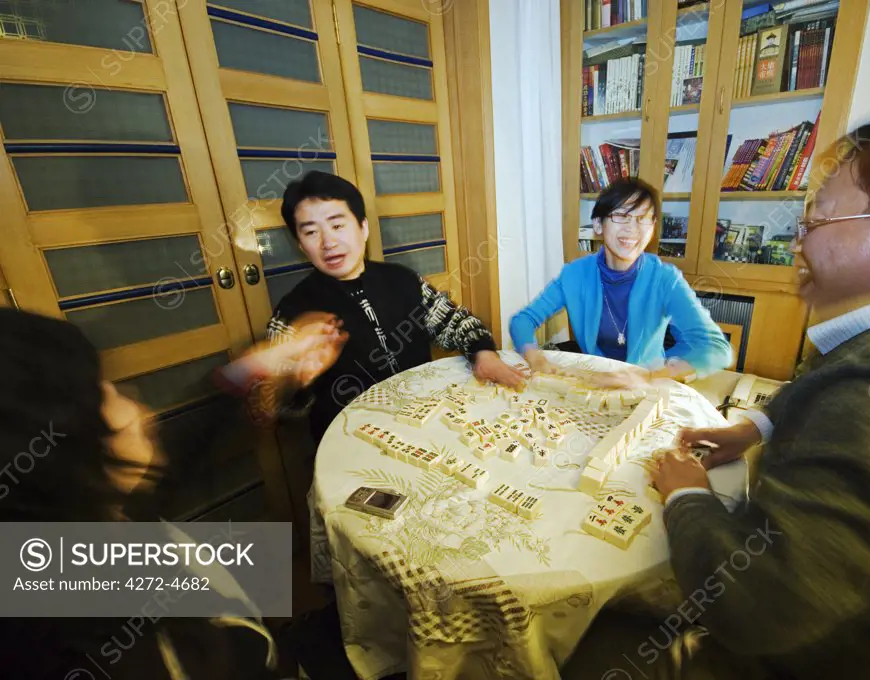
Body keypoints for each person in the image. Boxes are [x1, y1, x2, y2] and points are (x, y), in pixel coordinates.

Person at [565, 111, 870, 679]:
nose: (799, 234)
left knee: (589, 643)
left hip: (848, 660)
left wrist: (687, 495)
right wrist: (756, 426)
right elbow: (842, 381)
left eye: (822, 214)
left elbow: (753, 605)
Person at [0, 308, 290, 679]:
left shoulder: (94, 515)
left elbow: (176, 455)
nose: (134, 404)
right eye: (103, 393)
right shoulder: (128, 652)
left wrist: (255, 368)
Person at [220, 171, 526, 444]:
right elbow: (273, 412)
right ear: (301, 245)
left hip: (427, 426)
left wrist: (482, 351)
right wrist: (296, 379)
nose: (328, 242)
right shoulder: (293, 311)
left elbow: (455, 324)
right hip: (353, 442)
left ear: (363, 227)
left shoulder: (403, 280)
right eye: (311, 232)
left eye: (337, 225)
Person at [508, 178, 732, 388]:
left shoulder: (665, 279)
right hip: (594, 381)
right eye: (621, 216)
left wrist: (650, 375)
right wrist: (534, 356)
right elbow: (523, 320)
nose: (632, 228)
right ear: (598, 225)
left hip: (646, 385)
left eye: (643, 218)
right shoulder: (574, 274)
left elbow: (717, 348)